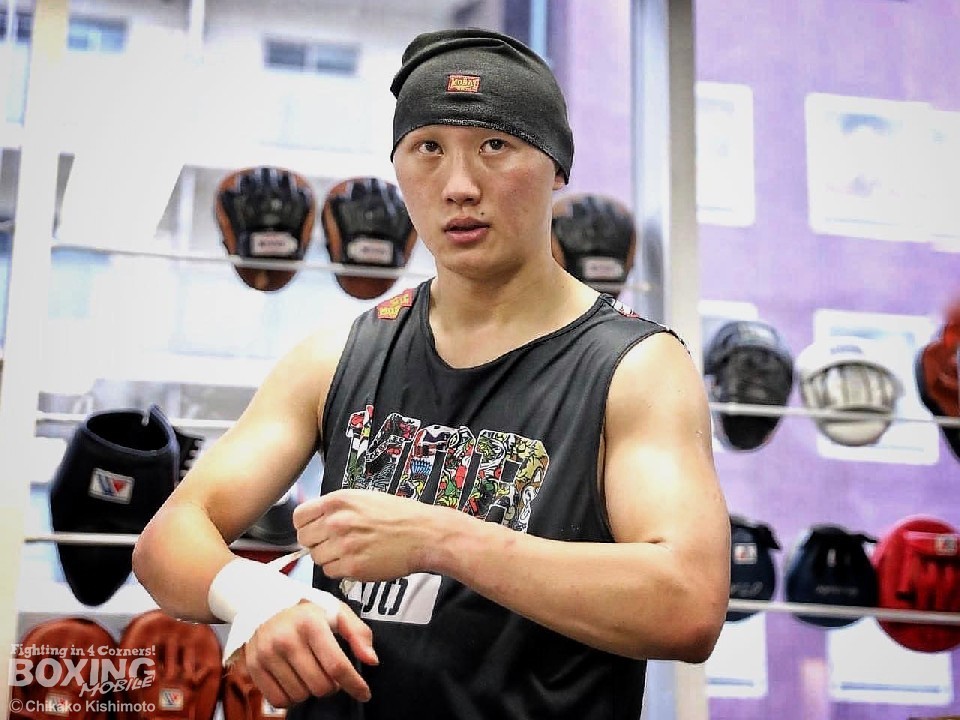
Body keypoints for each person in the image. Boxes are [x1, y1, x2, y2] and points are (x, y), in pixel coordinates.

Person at [132, 27, 731, 720]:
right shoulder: (337, 356)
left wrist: (439, 539)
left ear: (557, 168)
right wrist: (256, 596)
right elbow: (169, 539)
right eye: (428, 149)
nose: (459, 187)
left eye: (495, 146)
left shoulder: (635, 368)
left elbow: (688, 604)